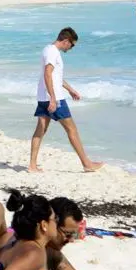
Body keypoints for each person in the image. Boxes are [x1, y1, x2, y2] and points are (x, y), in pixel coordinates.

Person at [29, 27, 104, 173]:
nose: (71, 48)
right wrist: (53, 98)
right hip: (54, 98)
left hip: (44, 96)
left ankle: (32, 165)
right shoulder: (52, 52)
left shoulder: (48, 49)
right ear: (66, 41)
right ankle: (87, 164)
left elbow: (56, 77)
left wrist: (70, 90)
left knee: (41, 129)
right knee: (72, 129)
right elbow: (48, 74)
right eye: (72, 44)